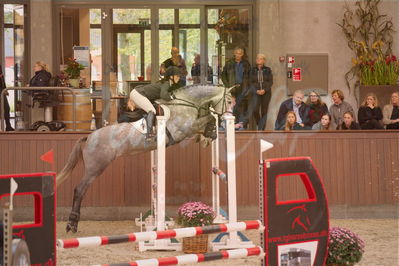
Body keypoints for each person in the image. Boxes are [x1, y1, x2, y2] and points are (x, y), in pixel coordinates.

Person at [129, 66, 182, 140]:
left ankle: (150, 128)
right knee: (152, 110)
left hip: (138, 93)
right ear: (171, 76)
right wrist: (171, 97)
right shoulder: (166, 83)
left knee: (152, 109)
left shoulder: (166, 83)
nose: (179, 78)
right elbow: (163, 95)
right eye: (177, 76)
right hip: (138, 93)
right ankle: (149, 133)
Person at [236, 53, 273, 130]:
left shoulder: (268, 70)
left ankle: (261, 129)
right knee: (255, 110)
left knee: (264, 111)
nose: (258, 60)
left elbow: (270, 82)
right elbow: (250, 82)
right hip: (255, 93)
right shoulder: (252, 70)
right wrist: (256, 90)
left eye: (260, 58)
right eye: (257, 58)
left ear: (264, 60)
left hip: (266, 93)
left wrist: (264, 90)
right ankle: (259, 124)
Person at [221, 47, 251, 125]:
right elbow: (223, 75)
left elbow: (250, 76)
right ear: (234, 54)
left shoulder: (246, 64)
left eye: (240, 53)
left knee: (242, 107)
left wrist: (248, 87)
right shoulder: (229, 63)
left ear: (242, 54)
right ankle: (232, 125)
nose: (238, 55)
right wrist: (228, 86)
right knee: (232, 107)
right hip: (232, 88)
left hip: (243, 88)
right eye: (237, 53)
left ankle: (241, 125)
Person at [0, 65, 14, 131]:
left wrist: (5, 89)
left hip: (1, 91)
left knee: (7, 108)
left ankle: (8, 126)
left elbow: (2, 79)